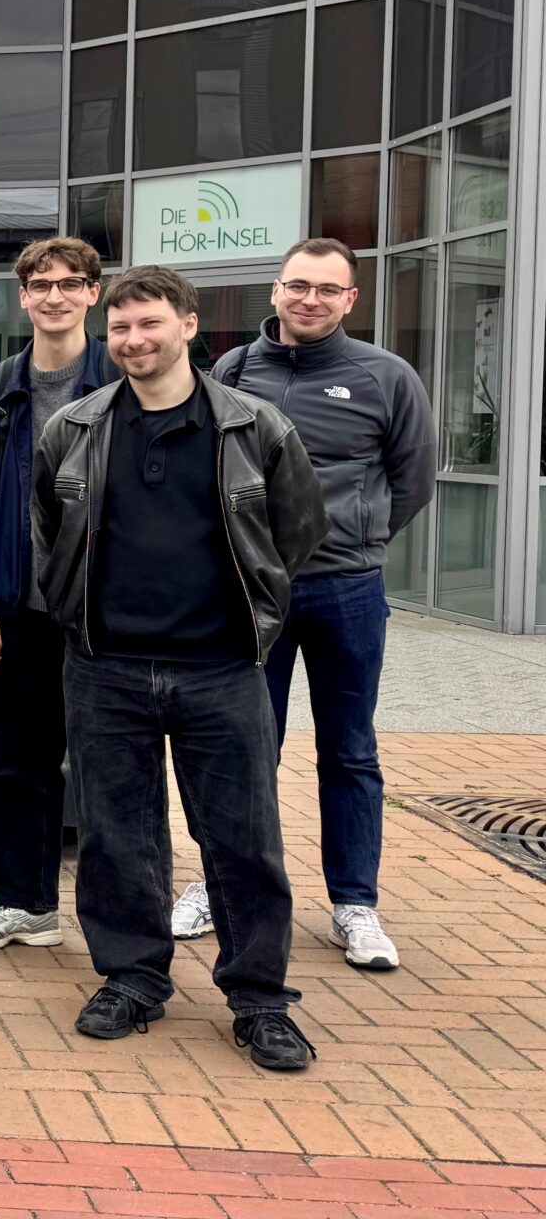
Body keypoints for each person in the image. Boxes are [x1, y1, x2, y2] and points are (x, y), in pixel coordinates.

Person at [35, 265, 327, 1073]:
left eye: (149, 325)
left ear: (189, 326)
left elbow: (296, 531)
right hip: (105, 669)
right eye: (120, 329)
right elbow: (49, 527)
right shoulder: (76, 428)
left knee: (242, 841)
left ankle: (260, 999)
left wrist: (246, 615)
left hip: (221, 669)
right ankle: (133, 978)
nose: (132, 341)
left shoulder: (254, 428)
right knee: (116, 837)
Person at [181, 238, 434, 971]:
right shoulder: (233, 371)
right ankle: (218, 883)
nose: (311, 299)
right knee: (241, 748)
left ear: (350, 300)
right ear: (276, 290)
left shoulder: (387, 377)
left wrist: (356, 538)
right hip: (251, 592)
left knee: (349, 749)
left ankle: (356, 904)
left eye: (328, 289)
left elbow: (410, 481)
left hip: (346, 590)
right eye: (299, 285)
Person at [0, 236, 111, 955]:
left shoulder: (121, 378)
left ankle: (118, 921)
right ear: (23, 297)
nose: (54, 296)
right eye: (40, 284)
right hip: (24, 605)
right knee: (14, 763)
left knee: (115, 766)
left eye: (68, 284)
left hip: (109, 611)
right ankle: (23, 904)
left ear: (91, 294)